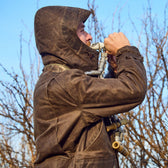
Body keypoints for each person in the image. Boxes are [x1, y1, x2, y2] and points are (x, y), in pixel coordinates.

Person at [33, 6, 147, 168]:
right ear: (65, 38)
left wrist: (114, 70)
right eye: (82, 31)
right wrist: (125, 51)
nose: (90, 37)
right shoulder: (66, 83)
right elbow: (133, 89)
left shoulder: (59, 81)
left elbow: (100, 102)